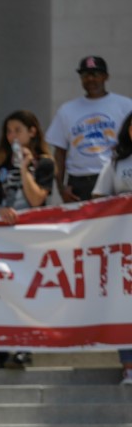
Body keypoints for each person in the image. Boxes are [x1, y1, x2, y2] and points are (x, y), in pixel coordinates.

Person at [0, 110, 55, 369]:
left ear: (32, 132)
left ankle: (25, 347)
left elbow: (38, 198)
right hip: (4, 240)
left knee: (29, 291)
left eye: (17, 130)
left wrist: (25, 166)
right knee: (5, 292)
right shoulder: (1, 168)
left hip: (32, 238)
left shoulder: (44, 164)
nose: (12, 135)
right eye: (9, 131)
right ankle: (3, 345)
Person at [45, 56, 132, 202]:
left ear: (106, 77)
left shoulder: (125, 105)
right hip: (79, 182)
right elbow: (59, 153)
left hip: (113, 178)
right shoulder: (67, 110)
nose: (90, 79)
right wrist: (61, 188)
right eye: (85, 75)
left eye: (95, 74)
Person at [91, 111, 132, 384]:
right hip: (125, 247)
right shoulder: (118, 160)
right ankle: (129, 365)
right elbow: (98, 196)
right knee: (126, 306)